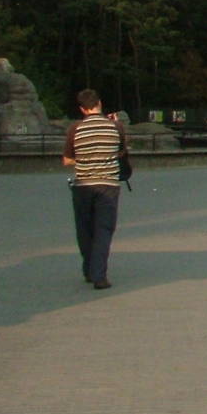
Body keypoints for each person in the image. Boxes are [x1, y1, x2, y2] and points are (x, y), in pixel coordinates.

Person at [62, 88, 127, 290]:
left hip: (83, 185)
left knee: (85, 229)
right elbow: (121, 151)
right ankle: (99, 275)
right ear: (99, 103)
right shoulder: (115, 127)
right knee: (103, 229)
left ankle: (89, 268)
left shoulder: (75, 129)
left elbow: (67, 160)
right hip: (108, 185)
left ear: (82, 109)